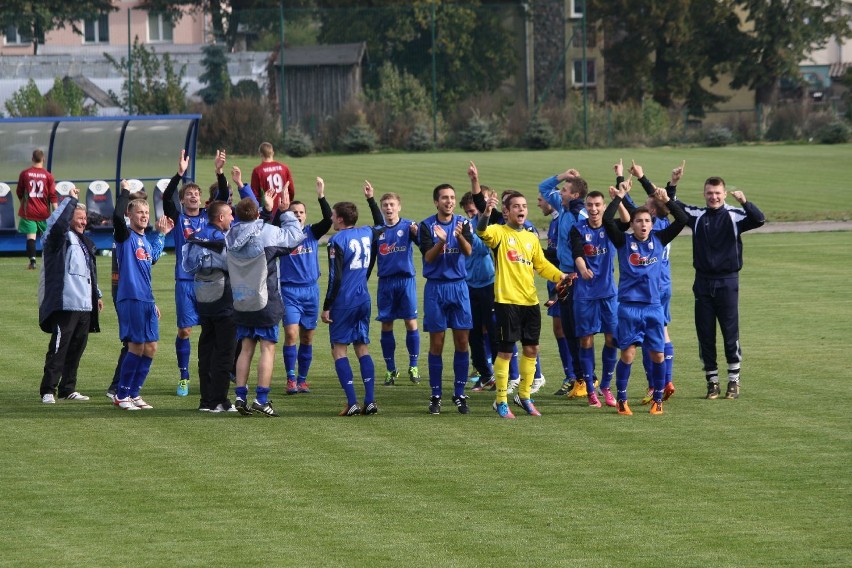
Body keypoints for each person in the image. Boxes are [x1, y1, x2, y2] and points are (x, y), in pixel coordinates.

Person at [476, 191, 570, 419]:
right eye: (516, 206)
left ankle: (525, 397)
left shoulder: (530, 237)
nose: (521, 209)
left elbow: (541, 265)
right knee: (506, 351)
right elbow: (481, 231)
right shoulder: (499, 233)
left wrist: (561, 277)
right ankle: (501, 401)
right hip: (507, 301)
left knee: (531, 349)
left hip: (530, 302)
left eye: (524, 206)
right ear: (506, 211)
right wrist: (487, 212)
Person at [602, 183, 689, 415]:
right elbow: (608, 221)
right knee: (628, 354)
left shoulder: (660, 239)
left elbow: (682, 220)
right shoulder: (623, 242)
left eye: (647, 221)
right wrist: (619, 198)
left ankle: (657, 400)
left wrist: (667, 200)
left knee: (658, 354)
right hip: (629, 308)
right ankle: (622, 400)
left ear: (652, 223)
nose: (643, 225)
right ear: (631, 224)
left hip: (653, 307)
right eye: (638, 221)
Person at [677, 175, 765, 399]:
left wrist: (745, 202)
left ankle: (734, 381)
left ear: (724, 194)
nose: (713, 197)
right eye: (709, 193)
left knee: (729, 332)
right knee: (705, 333)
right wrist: (671, 184)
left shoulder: (735, 216)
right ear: (704, 194)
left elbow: (759, 219)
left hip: (727, 281)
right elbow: (673, 205)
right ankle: (712, 382)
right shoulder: (697, 216)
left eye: (717, 193)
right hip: (703, 281)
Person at [225, 192, 305, 417]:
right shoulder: (266, 232)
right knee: (267, 348)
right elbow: (295, 237)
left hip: (241, 299)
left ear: (236, 215)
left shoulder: (230, 235)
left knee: (246, 347)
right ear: (257, 213)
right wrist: (285, 211)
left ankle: (240, 395)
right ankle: (261, 399)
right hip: (265, 299)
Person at [257, 174, 333, 395]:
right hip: (289, 291)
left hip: (311, 290)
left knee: (307, 336)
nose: (298, 216)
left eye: (301, 213)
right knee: (291, 334)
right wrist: (281, 208)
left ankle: (302, 379)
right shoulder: (282, 235)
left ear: (306, 216)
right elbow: (266, 226)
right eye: (294, 213)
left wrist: (321, 196)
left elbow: (329, 220)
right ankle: (290, 379)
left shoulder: (311, 233)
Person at [162, 149, 229, 397]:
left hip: (209, 282)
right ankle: (184, 375)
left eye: (197, 194)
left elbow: (223, 195)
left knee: (210, 329)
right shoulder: (178, 219)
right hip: (185, 281)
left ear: (202, 200)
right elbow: (167, 196)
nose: (193, 196)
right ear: (183, 200)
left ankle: (210, 373)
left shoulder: (208, 217)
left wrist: (219, 172)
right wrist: (179, 174)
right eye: (189, 194)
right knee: (185, 331)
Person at [624, 159, 684, 405]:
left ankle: (658, 383)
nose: (645, 204)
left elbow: (635, 207)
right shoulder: (662, 222)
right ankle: (663, 381)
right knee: (662, 333)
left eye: (648, 205)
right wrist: (670, 186)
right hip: (664, 283)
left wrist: (638, 178)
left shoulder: (652, 226)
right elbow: (662, 200)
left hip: (651, 287)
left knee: (650, 338)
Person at [321, 191, 385, 416]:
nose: (331, 219)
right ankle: (369, 400)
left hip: (344, 301)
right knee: (362, 347)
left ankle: (352, 402)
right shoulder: (367, 232)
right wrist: (371, 201)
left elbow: (334, 277)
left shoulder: (336, 241)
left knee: (339, 350)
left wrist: (327, 305)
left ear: (339, 219)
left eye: (333, 216)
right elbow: (381, 224)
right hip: (363, 299)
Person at [38, 185, 103, 403]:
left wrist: (97, 294)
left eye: (85, 218)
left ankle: (68, 389)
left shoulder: (84, 241)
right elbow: (55, 225)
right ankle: (48, 390)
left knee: (77, 348)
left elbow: (89, 270)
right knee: (59, 347)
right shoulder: (59, 238)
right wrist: (71, 201)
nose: (84, 222)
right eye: (79, 217)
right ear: (68, 218)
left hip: (84, 304)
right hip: (65, 303)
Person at [418, 183, 474, 415]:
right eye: (444, 198)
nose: (449, 201)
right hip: (436, 289)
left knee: (462, 342)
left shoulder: (464, 223)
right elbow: (429, 258)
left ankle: (459, 394)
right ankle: (436, 394)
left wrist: (459, 237)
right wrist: (441, 241)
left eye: (451, 197)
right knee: (437, 344)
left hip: (459, 288)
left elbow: (469, 251)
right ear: (436, 202)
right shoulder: (426, 226)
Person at [181, 200, 238, 413]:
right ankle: (219, 400)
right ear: (221, 217)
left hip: (203, 299)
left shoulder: (195, 236)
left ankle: (205, 401)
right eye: (230, 215)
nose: (232, 218)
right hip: (224, 300)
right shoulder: (223, 239)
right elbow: (232, 264)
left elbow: (187, 265)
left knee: (206, 350)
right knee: (225, 352)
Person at [538, 168, 588, 398]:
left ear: (574, 195)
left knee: (579, 331)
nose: (560, 192)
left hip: (576, 279)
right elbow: (544, 188)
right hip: (562, 276)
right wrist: (562, 176)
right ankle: (579, 378)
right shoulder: (564, 209)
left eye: (565, 190)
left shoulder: (580, 216)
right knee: (567, 329)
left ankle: (588, 378)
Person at [112, 181, 161, 410]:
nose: (144, 215)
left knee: (151, 347)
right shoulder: (124, 236)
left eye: (147, 212)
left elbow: (150, 265)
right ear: (129, 215)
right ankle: (121, 395)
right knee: (136, 346)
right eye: (139, 212)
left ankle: (134, 393)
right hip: (130, 298)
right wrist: (123, 192)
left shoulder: (145, 241)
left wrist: (162, 234)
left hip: (147, 300)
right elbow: (115, 215)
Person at [366, 186, 422, 386]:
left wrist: (417, 234)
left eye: (392, 205)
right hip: (386, 283)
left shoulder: (408, 226)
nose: (388, 208)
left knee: (410, 322)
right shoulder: (378, 231)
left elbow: (424, 244)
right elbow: (371, 258)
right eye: (385, 205)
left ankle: (413, 366)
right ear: (381, 209)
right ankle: (391, 370)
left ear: (399, 207)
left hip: (405, 281)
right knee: (386, 324)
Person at [570, 189, 620, 408]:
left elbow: (627, 221)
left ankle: (606, 387)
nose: (593, 209)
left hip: (608, 292)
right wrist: (582, 268)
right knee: (586, 340)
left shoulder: (611, 227)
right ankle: (591, 389)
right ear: (586, 207)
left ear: (603, 206)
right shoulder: (577, 229)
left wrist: (620, 196)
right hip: (585, 294)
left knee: (613, 339)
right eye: (589, 205)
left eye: (598, 205)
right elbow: (577, 252)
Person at [537, 195, 577, 395]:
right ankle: (571, 375)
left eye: (540, 200)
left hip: (564, 281)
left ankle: (580, 376)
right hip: (553, 280)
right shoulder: (555, 222)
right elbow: (555, 254)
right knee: (559, 329)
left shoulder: (563, 220)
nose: (538, 204)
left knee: (569, 328)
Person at [459, 189, 496, 393]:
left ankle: (503, 375)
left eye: (473, 212)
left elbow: (481, 250)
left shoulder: (488, 226)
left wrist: (470, 237)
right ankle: (485, 374)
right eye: (467, 212)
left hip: (488, 284)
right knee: (473, 333)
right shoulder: (466, 226)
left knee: (493, 330)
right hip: (469, 283)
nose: (470, 216)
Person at [17, 149, 57, 270]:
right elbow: (52, 195)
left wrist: (24, 202)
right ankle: (52, 260)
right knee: (48, 237)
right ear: (43, 159)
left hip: (28, 212)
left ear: (32, 159)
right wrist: (57, 212)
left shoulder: (25, 174)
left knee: (31, 237)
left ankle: (33, 261)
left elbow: (19, 191)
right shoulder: (48, 176)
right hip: (43, 212)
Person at [250, 141, 295, 213]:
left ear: (260, 154)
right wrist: (289, 202)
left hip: (268, 209)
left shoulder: (257, 170)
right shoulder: (284, 168)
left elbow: (254, 194)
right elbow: (291, 190)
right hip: (284, 208)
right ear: (273, 153)